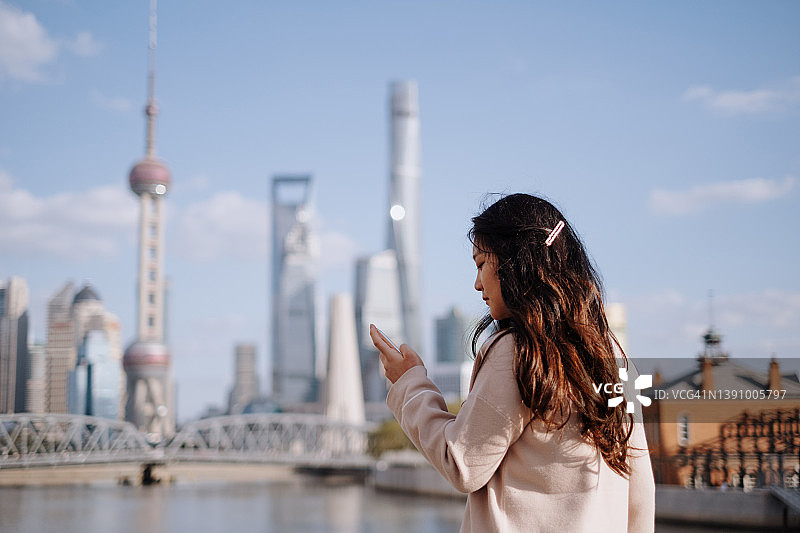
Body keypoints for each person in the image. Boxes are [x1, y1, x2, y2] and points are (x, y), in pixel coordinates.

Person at [370, 193, 655, 532]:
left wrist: (409, 384)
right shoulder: (614, 357)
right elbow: (640, 491)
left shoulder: (519, 351)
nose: (477, 283)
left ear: (516, 263)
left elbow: (462, 463)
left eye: (480, 264)